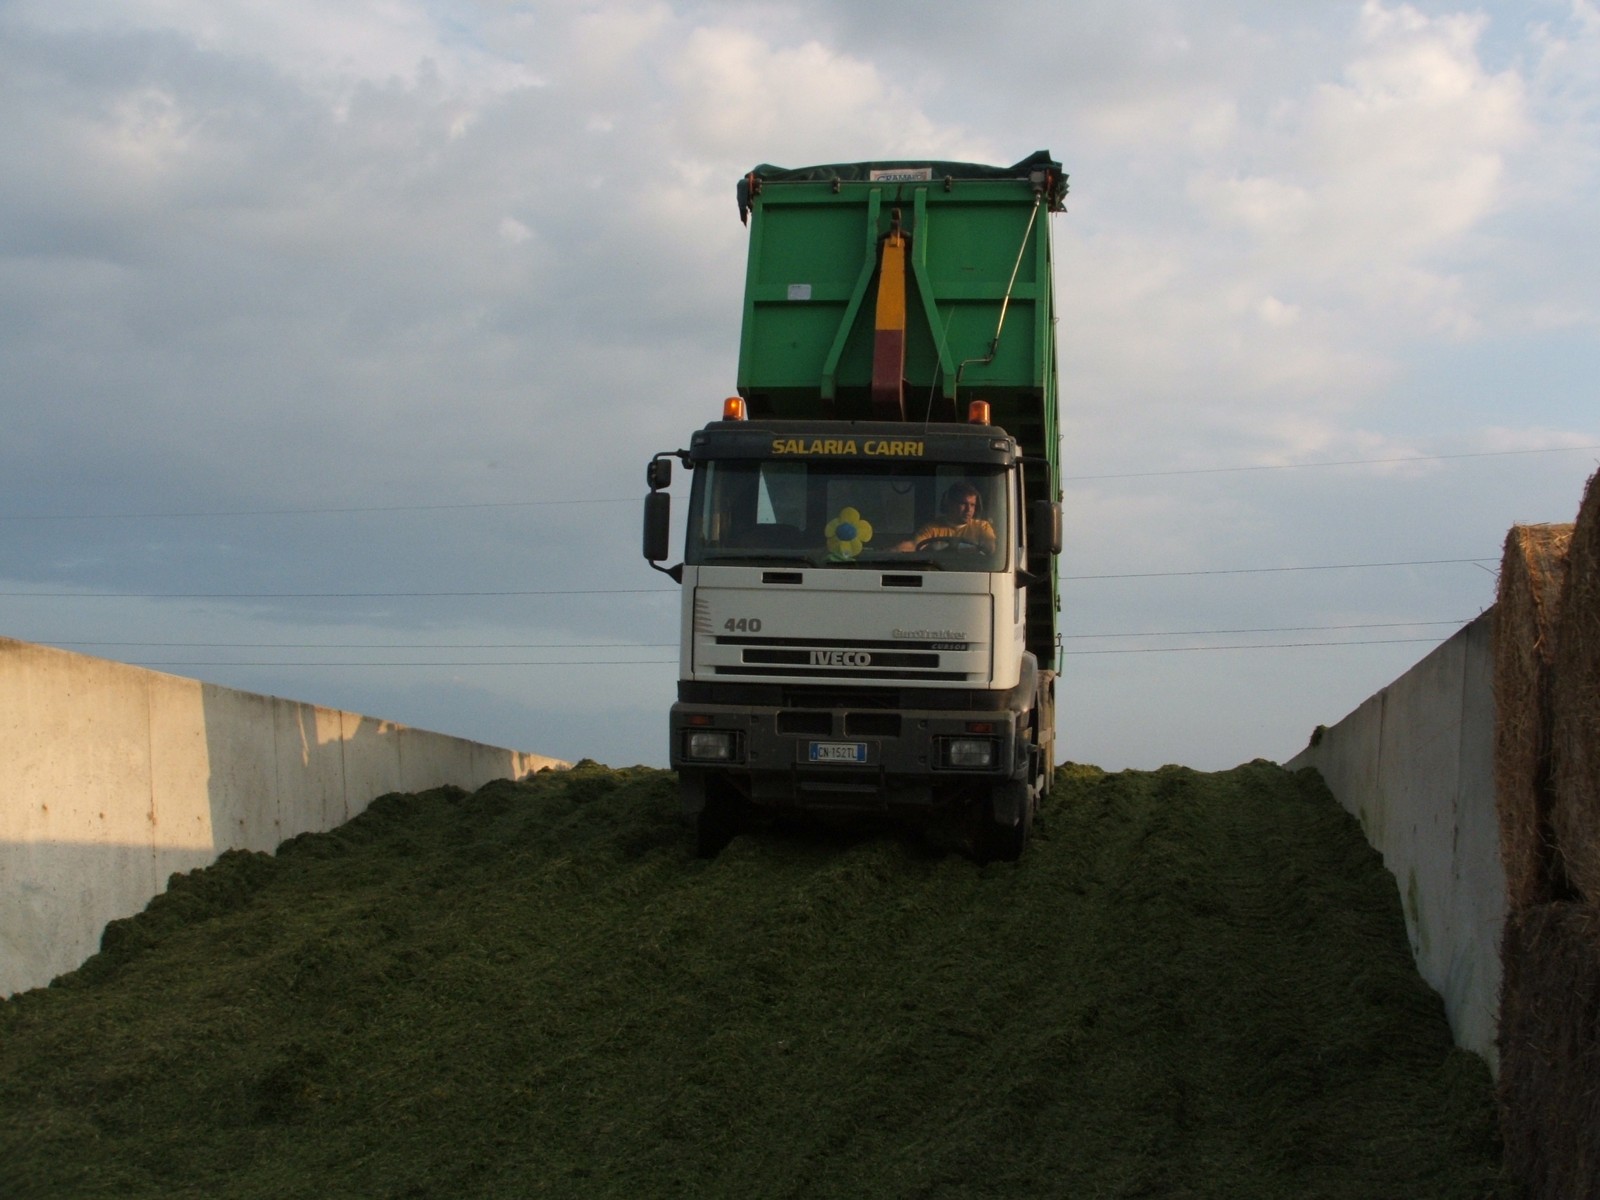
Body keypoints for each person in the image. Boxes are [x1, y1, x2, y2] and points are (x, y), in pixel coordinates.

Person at [896, 482, 996, 553]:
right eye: (963, 504)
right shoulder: (932, 528)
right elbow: (914, 545)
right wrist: (887, 553)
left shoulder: (982, 527)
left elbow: (990, 547)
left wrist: (955, 547)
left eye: (972, 505)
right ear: (950, 504)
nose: (968, 509)